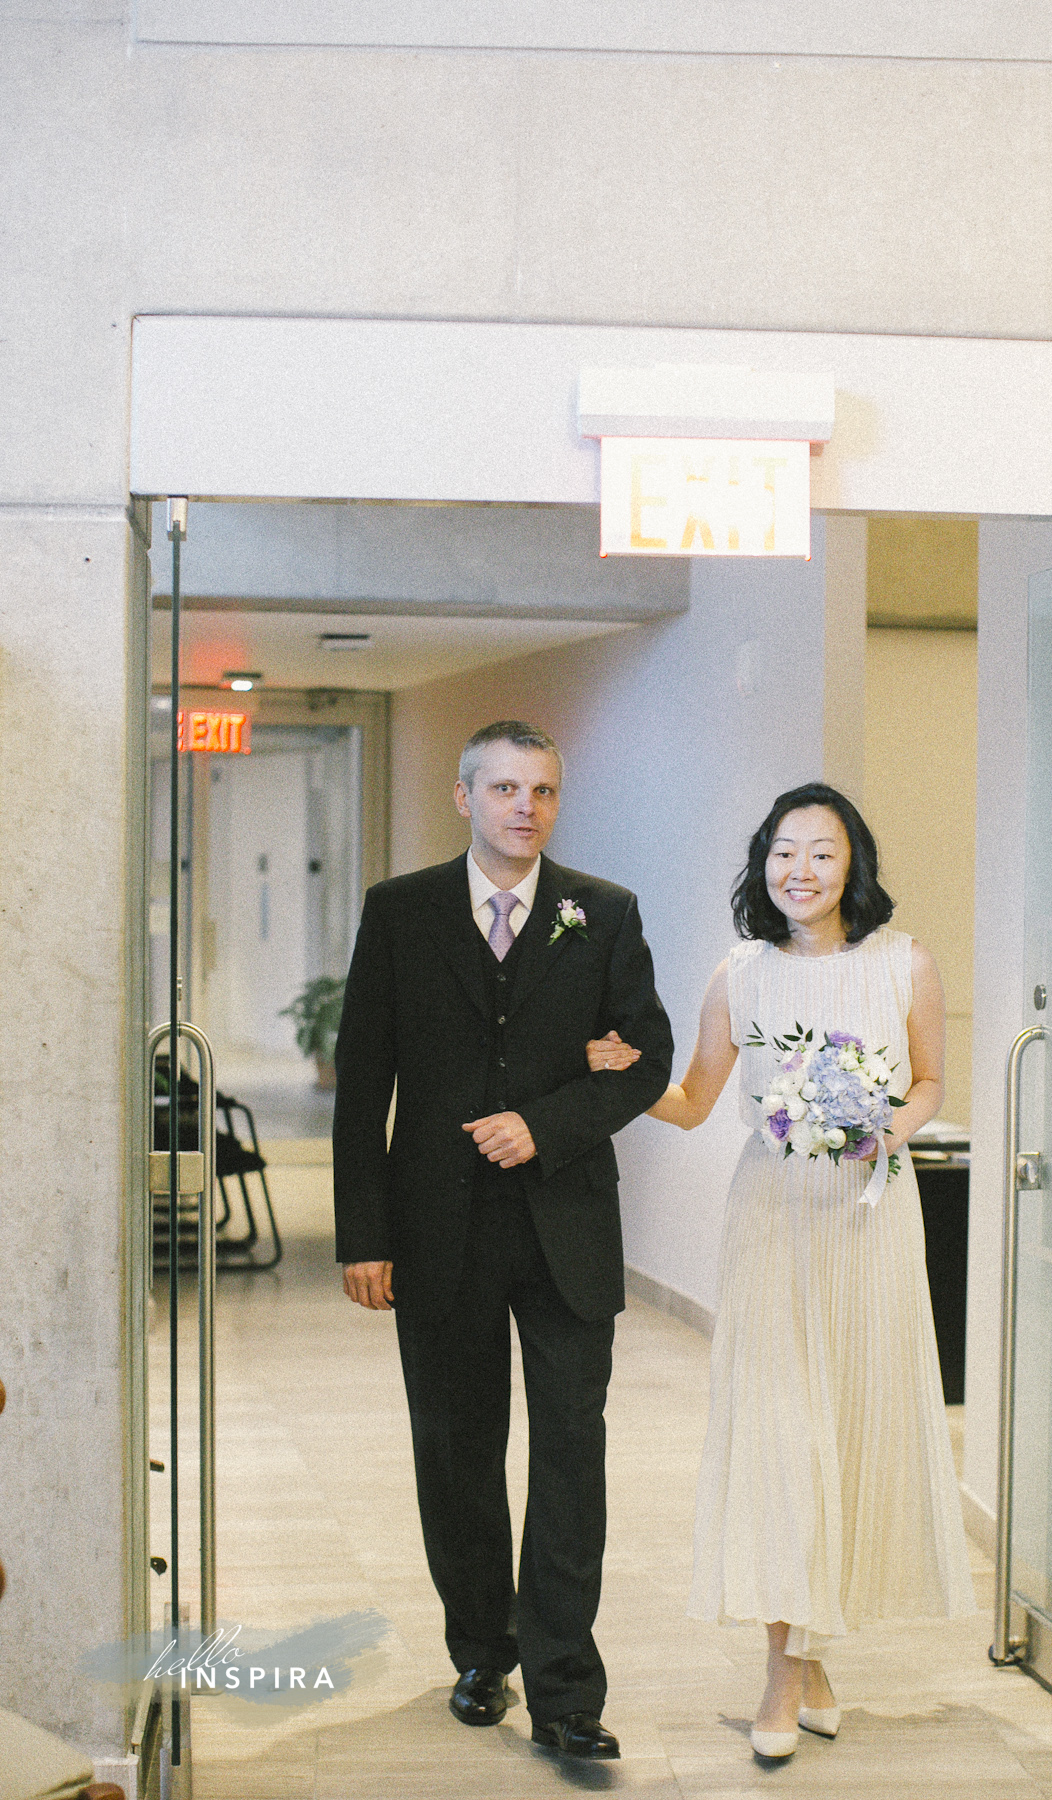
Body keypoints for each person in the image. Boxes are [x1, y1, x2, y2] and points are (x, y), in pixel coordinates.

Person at [589, 782, 975, 1760]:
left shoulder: (905, 965)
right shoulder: (741, 974)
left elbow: (931, 1080)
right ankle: (779, 1671)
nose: (800, 870)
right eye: (784, 852)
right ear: (762, 864)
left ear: (855, 868)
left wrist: (890, 1126)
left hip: (867, 1225)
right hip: (771, 1225)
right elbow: (694, 1100)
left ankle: (813, 1657)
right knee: (779, 1439)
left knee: (844, 1434)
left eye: (822, 853)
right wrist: (613, 1073)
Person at [332, 720, 673, 1761]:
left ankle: (569, 1691)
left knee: (572, 1455)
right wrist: (363, 1232)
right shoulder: (399, 914)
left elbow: (647, 1055)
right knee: (457, 1448)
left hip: (565, 1225)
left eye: (544, 791)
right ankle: (483, 1650)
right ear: (463, 796)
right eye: (505, 788)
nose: (526, 806)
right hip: (438, 1229)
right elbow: (363, 1082)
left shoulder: (601, 914)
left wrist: (551, 1121)